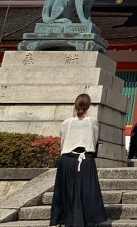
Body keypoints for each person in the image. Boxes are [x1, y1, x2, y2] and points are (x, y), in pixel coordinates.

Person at [49, 93, 106, 227]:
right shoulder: (92, 121)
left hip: (67, 160)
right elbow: (94, 139)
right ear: (88, 106)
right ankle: (86, 220)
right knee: (86, 191)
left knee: (67, 191)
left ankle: (65, 219)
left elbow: (63, 142)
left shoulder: (66, 123)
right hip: (85, 159)